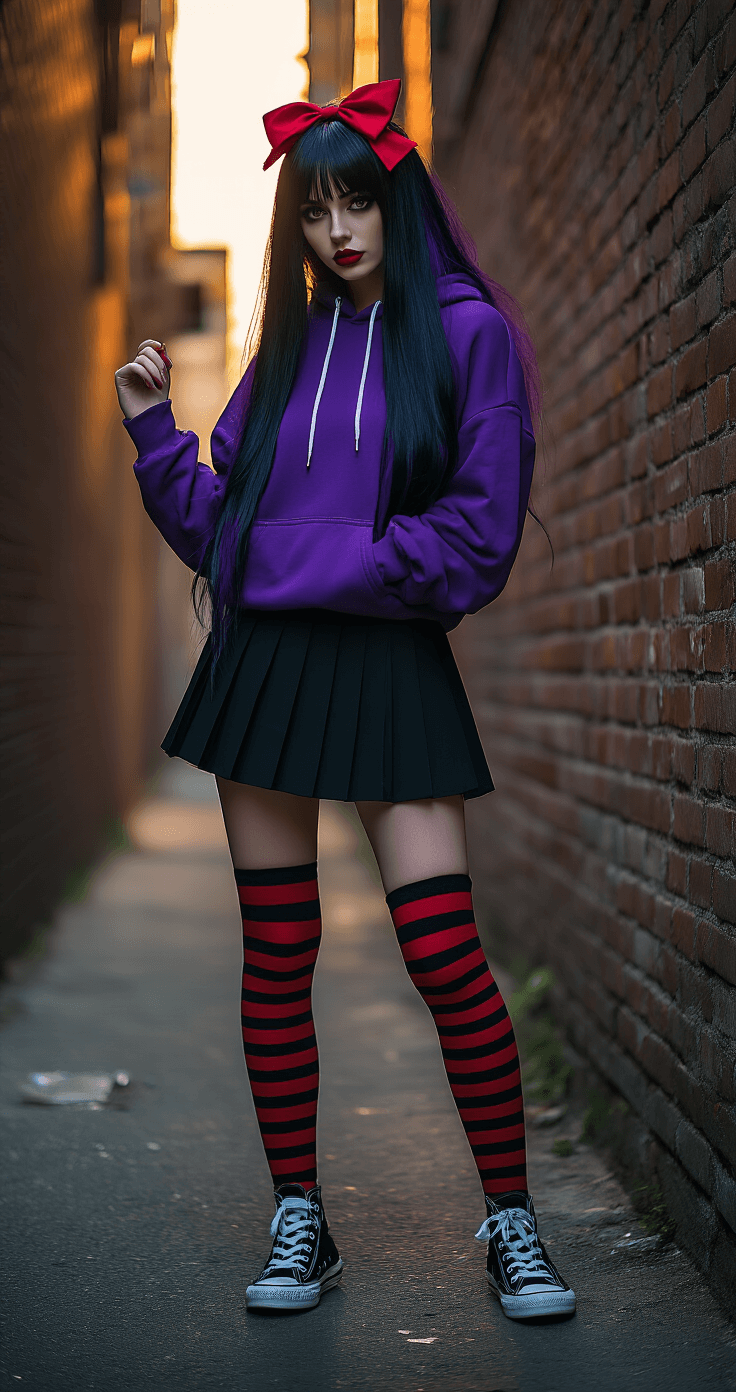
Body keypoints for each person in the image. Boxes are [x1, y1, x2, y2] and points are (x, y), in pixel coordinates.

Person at [114, 79, 575, 1322]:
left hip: (387, 667)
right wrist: (159, 436)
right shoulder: (288, 355)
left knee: (443, 954)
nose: (337, 230)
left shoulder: (469, 336)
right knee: (279, 953)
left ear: (396, 200)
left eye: (357, 199)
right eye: (312, 210)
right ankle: (299, 1221)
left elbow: (475, 542)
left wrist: (317, 562)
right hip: (265, 671)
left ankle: (514, 1224)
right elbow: (224, 532)